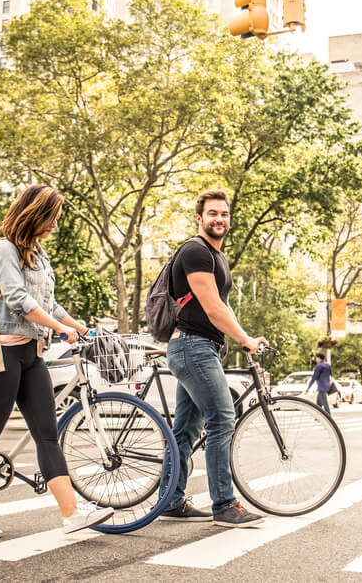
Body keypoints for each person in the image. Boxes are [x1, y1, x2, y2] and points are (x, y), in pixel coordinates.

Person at [0, 184, 112, 540]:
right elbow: (17, 298)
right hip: (0, 354)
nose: (55, 225)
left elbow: (49, 304)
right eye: (52, 218)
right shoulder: (4, 250)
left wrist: (79, 327)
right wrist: (57, 328)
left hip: (31, 353)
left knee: (47, 433)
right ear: (35, 214)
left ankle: (71, 514)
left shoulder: (38, 254)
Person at [158, 189, 268, 529]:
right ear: (199, 217)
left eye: (224, 214)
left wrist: (245, 337)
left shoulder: (217, 257)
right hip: (192, 347)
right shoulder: (195, 251)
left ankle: (171, 500)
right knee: (222, 419)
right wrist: (243, 339)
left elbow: (223, 305)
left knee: (186, 430)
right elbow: (211, 306)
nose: (219, 219)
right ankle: (224, 505)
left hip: (199, 348)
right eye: (212, 214)